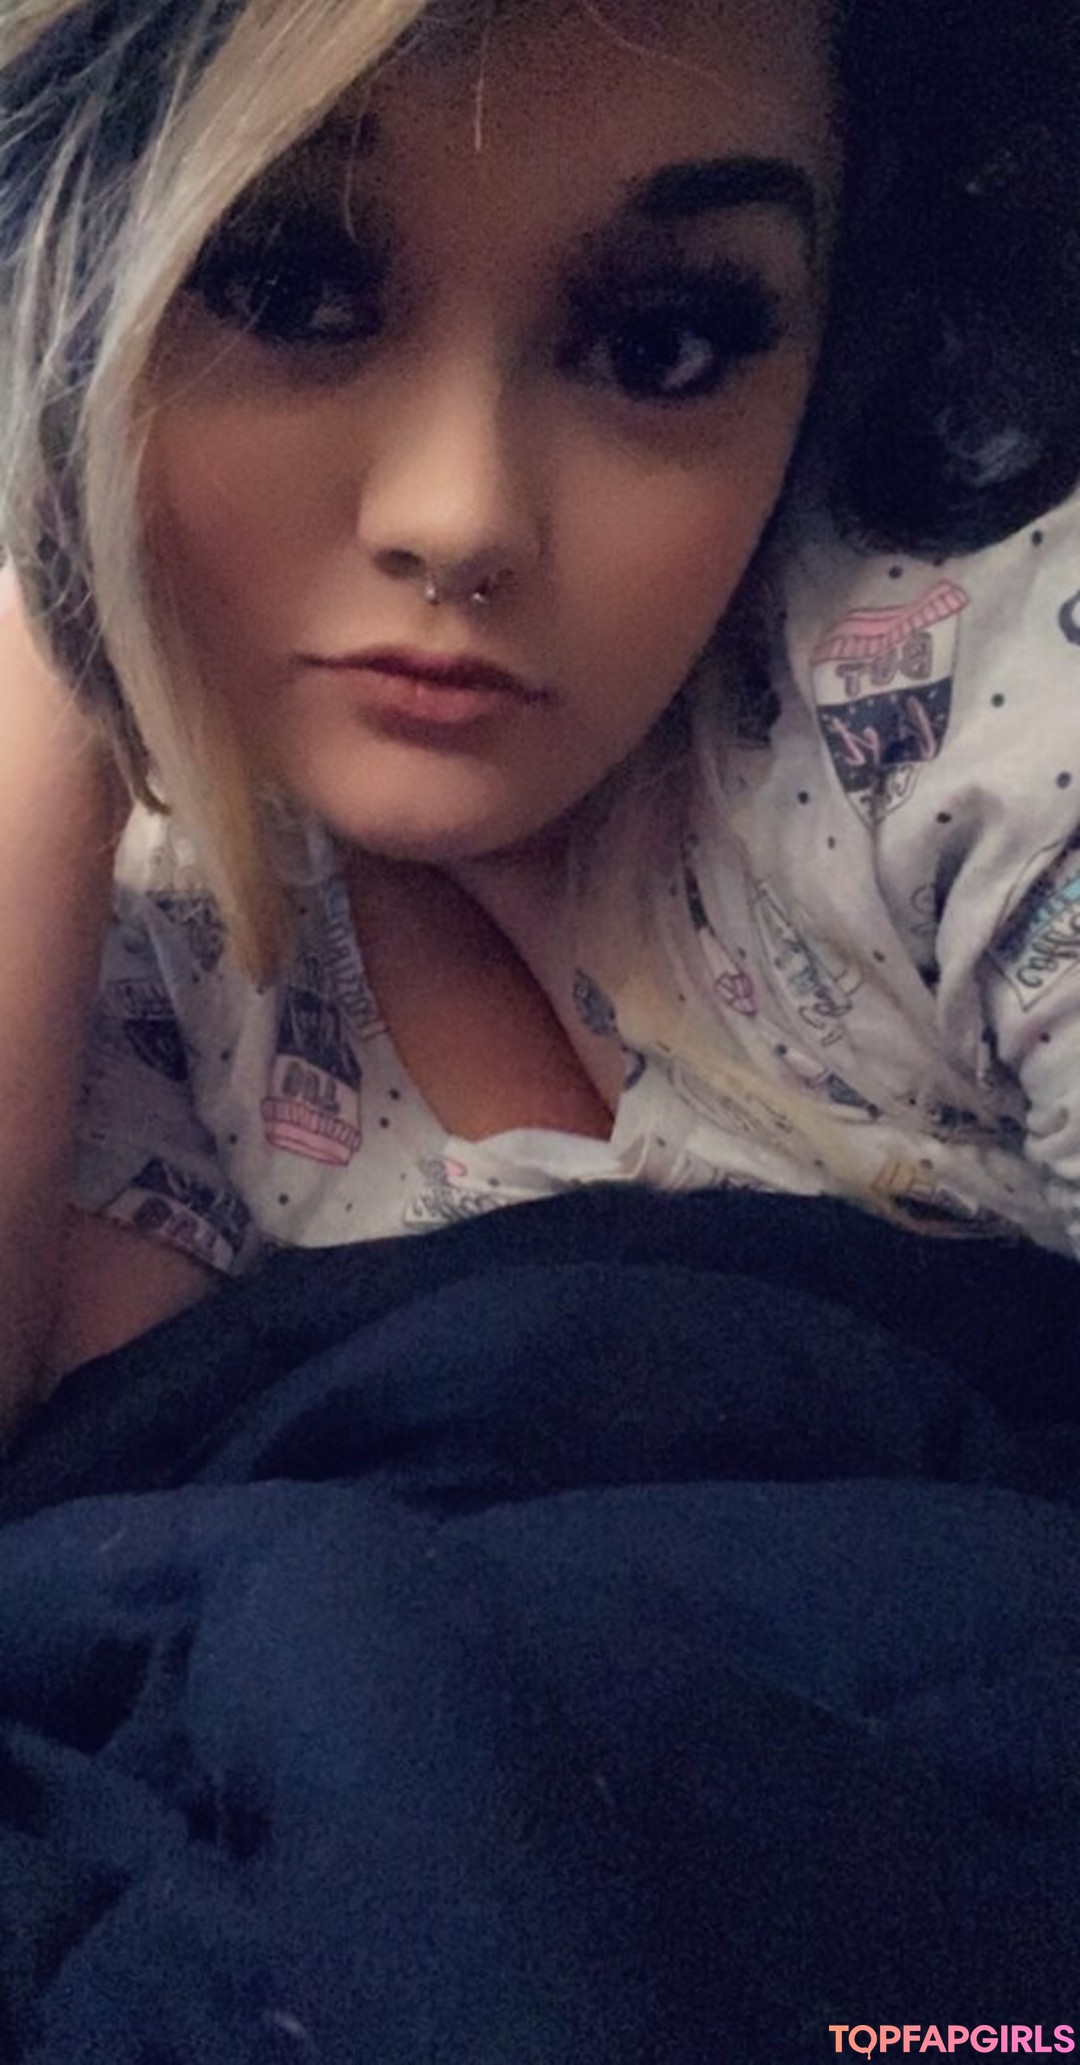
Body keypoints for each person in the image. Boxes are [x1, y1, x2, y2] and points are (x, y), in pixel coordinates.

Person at [0, 0, 1078, 1434]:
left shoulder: (969, 658)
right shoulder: (146, 932)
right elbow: (97, 1488)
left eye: (664, 344)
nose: (461, 516)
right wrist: (53, 583)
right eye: (289, 291)